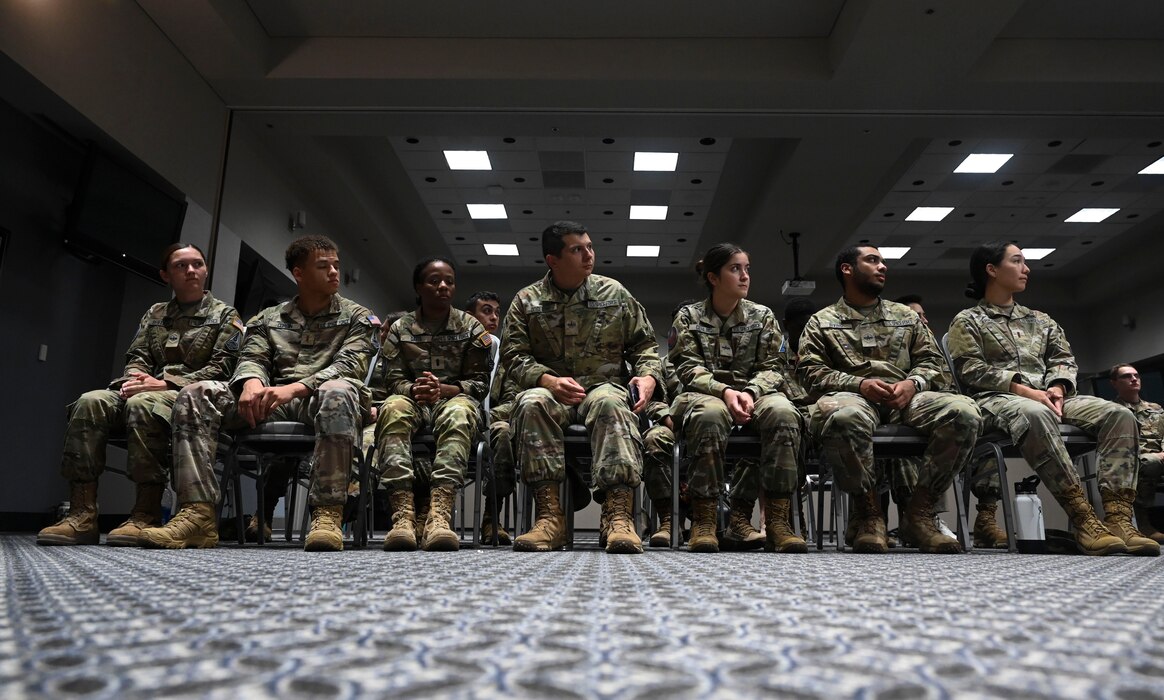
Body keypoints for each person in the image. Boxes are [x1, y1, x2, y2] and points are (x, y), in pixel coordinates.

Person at [139, 235, 378, 551]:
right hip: (271, 401)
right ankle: (197, 514)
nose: (334, 272)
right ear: (299, 273)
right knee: (197, 393)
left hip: (319, 400)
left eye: (336, 265)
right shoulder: (267, 318)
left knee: (338, 391)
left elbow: (349, 367)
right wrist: (251, 383)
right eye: (324, 266)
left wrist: (290, 389)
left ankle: (326, 515)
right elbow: (252, 357)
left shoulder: (359, 317)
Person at [948, 241, 1155, 556]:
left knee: (1120, 415)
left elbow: (1064, 360)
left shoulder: (1040, 320)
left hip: (1051, 396)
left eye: (1025, 262)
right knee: (1035, 413)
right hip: (997, 400)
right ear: (991, 270)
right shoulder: (968, 321)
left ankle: (1119, 519)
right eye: (1017, 261)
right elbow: (970, 370)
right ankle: (1084, 518)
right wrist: (1026, 390)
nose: (1026, 268)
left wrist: (1058, 387)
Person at [37, 243, 242, 546]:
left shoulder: (225, 315)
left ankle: (145, 512)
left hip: (187, 397)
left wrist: (166, 383)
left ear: (206, 270)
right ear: (165, 275)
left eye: (197, 264)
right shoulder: (155, 314)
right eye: (181, 266)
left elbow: (223, 368)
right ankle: (82, 514)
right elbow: (137, 356)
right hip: (144, 389)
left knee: (143, 403)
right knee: (90, 402)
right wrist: (135, 379)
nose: (190, 271)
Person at [799, 245, 983, 554]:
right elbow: (809, 372)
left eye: (883, 261)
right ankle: (869, 514)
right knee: (843, 417)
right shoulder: (821, 321)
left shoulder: (906, 317)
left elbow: (933, 363)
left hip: (907, 398)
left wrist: (914, 382)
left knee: (963, 412)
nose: (882, 266)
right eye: (872, 260)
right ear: (847, 269)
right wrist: (858, 383)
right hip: (855, 397)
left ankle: (919, 514)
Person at [503, 220, 662, 553]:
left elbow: (645, 345)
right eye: (577, 249)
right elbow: (513, 355)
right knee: (531, 402)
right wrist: (547, 380)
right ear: (553, 260)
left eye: (590, 246)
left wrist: (648, 377)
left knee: (612, 404)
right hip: (551, 389)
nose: (589, 254)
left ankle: (618, 514)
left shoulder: (614, 294)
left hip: (603, 387)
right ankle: (550, 518)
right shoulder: (527, 301)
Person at [669, 243, 805, 553]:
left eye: (747, 269)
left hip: (754, 392)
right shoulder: (688, 318)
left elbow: (775, 367)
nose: (745, 276)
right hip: (706, 393)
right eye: (735, 269)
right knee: (709, 414)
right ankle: (704, 520)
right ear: (713, 278)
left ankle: (777, 521)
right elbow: (688, 369)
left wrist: (750, 392)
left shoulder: (762, 316)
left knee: (784, 412)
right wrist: (726, 392)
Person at [376, 258, 491, 551]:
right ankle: (403, 514)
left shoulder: (471, 327)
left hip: (452, 398)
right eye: (434, 281)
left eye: (449, 281)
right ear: (418, 286)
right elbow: (391, 380)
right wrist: (414, 388)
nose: (443, 286)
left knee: (461, 411)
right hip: (412, 399)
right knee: (392, 407)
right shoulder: (401, 328)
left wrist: (444, 389)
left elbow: (480, 384)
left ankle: (439, 514)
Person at [885, 293, 958, 546]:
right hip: (897, 413)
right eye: (917, 316)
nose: (924, 321)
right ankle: (911, 517)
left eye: (924, 315)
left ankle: (924, 516)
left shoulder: (933, 351)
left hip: (928, 412)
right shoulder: (893, 346)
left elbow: (946, 386)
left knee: (961, 422)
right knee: (899, 444)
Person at [1109, 363, 1164, 543]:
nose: (1134, 379)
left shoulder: (1155, 409)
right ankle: (1143, 524)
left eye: (1136, 375)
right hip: (1133, 460)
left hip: (1161, 455)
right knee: (1149, 463)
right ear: (1114, 383)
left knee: (1153, 462)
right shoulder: (1112, 410)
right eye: (1127, 376)